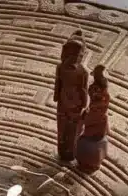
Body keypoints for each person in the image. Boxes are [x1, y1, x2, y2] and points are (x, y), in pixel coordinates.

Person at [54, 32, 89, 162]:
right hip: (67, 102)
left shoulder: (81, 71)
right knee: (63, 128)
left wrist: (83, 105)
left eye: (79, 55)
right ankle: (64, 152)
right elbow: (59, 83)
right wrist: (57, 97)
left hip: (73, 103)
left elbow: (83, 89)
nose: (77, 58)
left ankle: (69, 153)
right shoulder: (64, 68)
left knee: (72, 130)